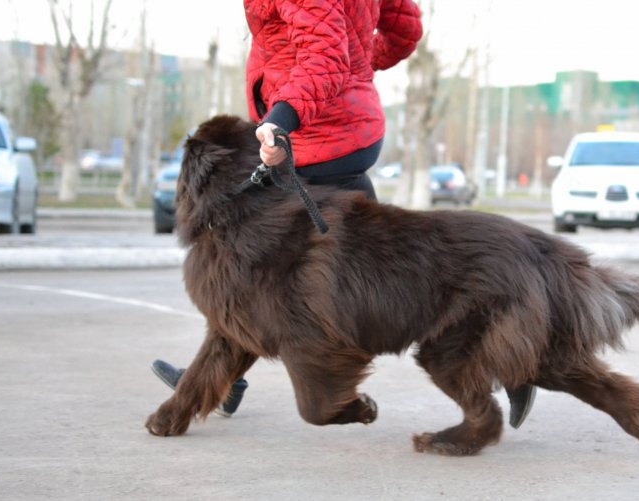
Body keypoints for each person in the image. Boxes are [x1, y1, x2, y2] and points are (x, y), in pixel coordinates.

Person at [153, 0, 536, 428]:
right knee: (368, 265)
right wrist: (357, 66)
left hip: (310, 135)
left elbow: (324, 54)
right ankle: (214, 384)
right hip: (347, 128)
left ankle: (516, 357)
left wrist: (285, 114)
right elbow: (403, 30)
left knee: (262, 278)